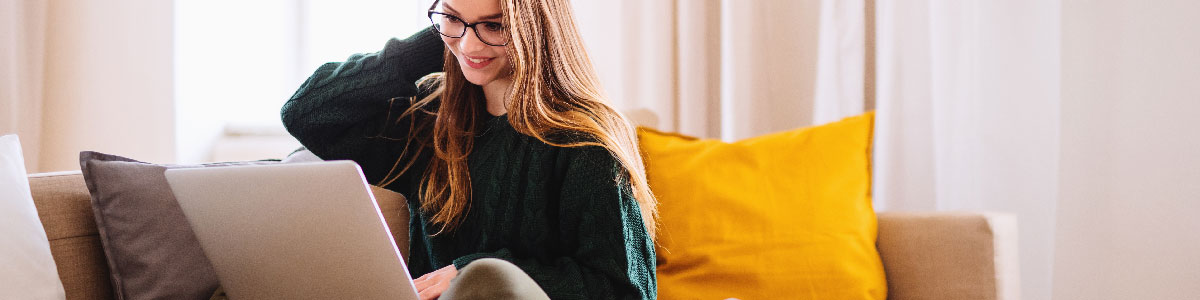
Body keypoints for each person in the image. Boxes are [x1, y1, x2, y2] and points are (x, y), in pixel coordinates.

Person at [280, 0, 658, 299]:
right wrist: (445, 39)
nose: (471, 45)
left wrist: (477, 274)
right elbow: (306, 112)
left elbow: (625, 290)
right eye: (452, 18)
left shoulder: (584, 139)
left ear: (536, 28)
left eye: (494, 25)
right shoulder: (430, 117)